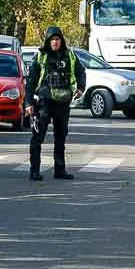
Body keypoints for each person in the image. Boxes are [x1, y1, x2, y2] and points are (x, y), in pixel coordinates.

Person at [24, 27, 82, 181]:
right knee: (38, 136)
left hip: (62, 102)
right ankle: (34, 170)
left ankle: (60, 170)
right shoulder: (41, 57)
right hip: (44, 102)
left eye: (57, 39)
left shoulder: (69, 56)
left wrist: (81, 88)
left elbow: (80, 71)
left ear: (61, 40)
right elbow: (31, 80)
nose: (55, 42)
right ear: (48, 41)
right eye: (52, 39)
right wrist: (28, 102)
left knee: (61, 136)